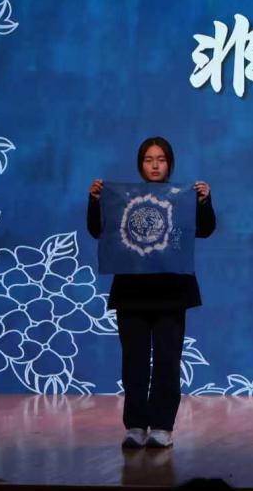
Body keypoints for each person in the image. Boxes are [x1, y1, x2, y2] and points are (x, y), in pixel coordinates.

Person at [88, 136, 215, 449]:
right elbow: (98, 230)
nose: (155, 165)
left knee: (167, 362)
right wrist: (95, 201)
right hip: (132, 293)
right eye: (148, 159)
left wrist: (203, 202)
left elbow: (204, 230)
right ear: (140, 164)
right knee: (134, 362)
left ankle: (161, 426)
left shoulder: (181, 198)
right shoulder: (122, 199)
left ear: (170, 163)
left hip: (172, 293)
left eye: (161, 159)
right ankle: (135, 425)